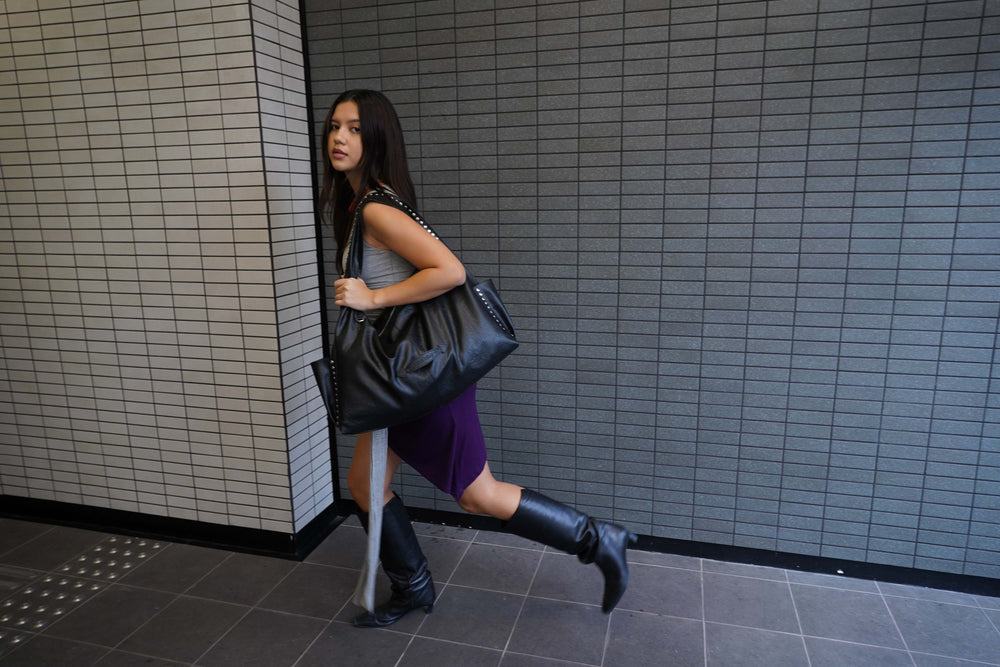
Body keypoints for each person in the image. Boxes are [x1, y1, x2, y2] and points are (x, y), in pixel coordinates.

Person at [319, 89, 637, 628]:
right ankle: (414, 586)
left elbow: (449, 272)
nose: (339, 138)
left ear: (376, 138)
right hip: (397, 379)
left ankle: (597, 540)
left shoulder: (374, 205)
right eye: (334, 127)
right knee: (362, 485)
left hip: (421, 380)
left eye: (353, 128)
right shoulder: (357, 205)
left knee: (478, 495)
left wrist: (371, 298)